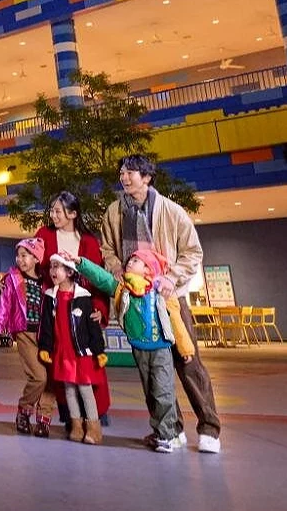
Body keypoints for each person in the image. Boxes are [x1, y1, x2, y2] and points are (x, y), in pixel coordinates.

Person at [101, 154, 222, 454]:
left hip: (169, 299)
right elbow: (107, 250)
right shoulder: (114, 212)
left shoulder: (170, 210)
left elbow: (192, 252)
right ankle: (169, 429)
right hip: (137, 301)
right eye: (122, 172)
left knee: (188, 361)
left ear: (147, 177)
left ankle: (209, 428)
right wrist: (118, 269)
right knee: (150, 369)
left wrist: (172, 276)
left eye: (130, 172)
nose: (124, 177)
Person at [76, 249, 195, 453]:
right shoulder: (124, 289)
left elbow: (175, 319)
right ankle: (160, 432)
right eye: (130, 260)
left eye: (136, 261)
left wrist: (185, 347)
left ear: (149, 268)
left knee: (163, 390)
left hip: (161, 349)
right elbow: (102, 278)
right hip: (140, 350)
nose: (129, 263)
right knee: (151, 392)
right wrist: (81, 263)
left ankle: (169, 435)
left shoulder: (161, 291)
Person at [34, 191, 111, 424]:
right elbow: (34, 268)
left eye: (58, 211)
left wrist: (100, 309)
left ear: (73, 213)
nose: (53, 215)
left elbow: (98, 279)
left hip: (82, 312)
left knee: (88, 363)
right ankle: (70, 416)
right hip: (56, 309)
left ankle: (96, 415)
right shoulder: (44, 235)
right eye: (52, 210)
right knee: (59, 365)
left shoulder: (88, 241)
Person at [0, 237, 52, 437]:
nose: (20, 260)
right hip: (25, 333)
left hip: (48, 335)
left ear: (36, 258)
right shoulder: (12, 279)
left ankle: (44, 420)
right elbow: (5, 304)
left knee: (51, 379)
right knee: (39, 377)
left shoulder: (48, 280)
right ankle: (24, 411)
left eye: (25, 255)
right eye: (18, 256)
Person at [36, 253, 106, 445]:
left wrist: (99, 350)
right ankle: (76, 426)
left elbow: (92, 326)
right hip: (63, 353)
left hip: (81, 353)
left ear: (69, 271)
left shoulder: (83, 297)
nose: (52, 271)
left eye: (56, 266)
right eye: (51, 266)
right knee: (68, 390)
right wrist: (45, 347)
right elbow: (47, 326)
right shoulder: (50, 297)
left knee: (85, 389)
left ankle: (93, 428)